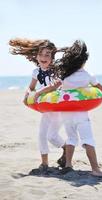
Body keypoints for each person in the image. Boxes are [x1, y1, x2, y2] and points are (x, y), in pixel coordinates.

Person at [9, 38, 66, 174]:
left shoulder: (57, 70)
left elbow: (55, 86)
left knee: (52, 136)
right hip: (46, 110)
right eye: (41, 54)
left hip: (58, 109)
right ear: (36, 56)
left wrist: (39, 92)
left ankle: (66, 148)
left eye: (47, 54)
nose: (43, 57)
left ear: (52, 57)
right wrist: (27, 94)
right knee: (41, 136)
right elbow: (31, 87)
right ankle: (44, 163)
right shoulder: (36, 72)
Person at [52, 40, 102, 176]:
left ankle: (68, 164)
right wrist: (87, 89)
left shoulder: (64, 75)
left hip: (66, 113)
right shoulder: (88, 75)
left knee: (71, 138)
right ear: (83, 61)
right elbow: (101, 90)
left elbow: (57, 89)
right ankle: (95, 169)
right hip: (81, 114)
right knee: (88, 139)